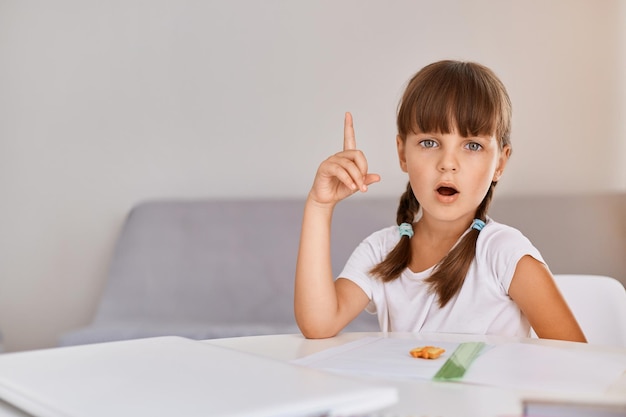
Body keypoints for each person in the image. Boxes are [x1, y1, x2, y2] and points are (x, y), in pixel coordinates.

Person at [294, 60, 586, 342]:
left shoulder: (505, 254)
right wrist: (320, 206)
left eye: (472, 145)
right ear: (402, 153)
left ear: (500, 162)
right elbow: (318, 324)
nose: (448, 163)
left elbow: (576, 360)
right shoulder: (381, 252)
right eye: (429, 143)